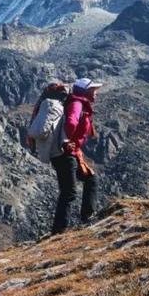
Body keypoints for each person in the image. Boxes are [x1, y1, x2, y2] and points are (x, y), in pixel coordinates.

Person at [51, 78, 101, 235]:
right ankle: (59, 231)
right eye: (93, 90)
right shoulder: (77, 104)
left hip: (70, 153)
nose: (96, 93)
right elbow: (72, 122)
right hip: (65, 154)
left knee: (90, 179)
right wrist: (67, 141)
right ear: (86, 91)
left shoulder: (78, 103)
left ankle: (87, 217)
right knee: (69, 192)